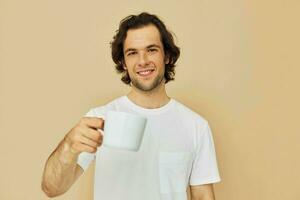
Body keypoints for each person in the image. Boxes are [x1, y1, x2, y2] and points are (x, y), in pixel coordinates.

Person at [41, 12, 221, 200]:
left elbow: (202, 196)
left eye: (151, 50)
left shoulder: (196, 126)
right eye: (132, 53)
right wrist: (69, 145)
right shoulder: (100, 120)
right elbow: (52, 188)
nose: (142, 61)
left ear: (166, 56)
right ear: (123, 62)